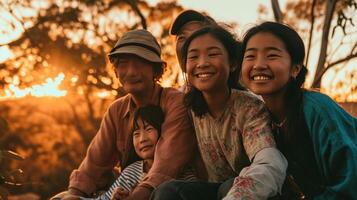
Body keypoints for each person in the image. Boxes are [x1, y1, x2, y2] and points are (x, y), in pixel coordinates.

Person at [51, 29, 197, 200]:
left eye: (140, 63)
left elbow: (167, 161)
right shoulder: (116, 110)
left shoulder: (176, 102)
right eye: (123, 64)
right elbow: (95, 162)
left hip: (166, 190)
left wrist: (138, 194)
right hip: (127, 187)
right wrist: (75, 193)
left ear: (155, 69)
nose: (131, 72)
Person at [151, 25, 287, 200]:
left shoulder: (249, 107)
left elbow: (269, 162)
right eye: (193, 57)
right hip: (213, 189)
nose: (202, 63)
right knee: (168, 191)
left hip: (253, 192)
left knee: (227, 187)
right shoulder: (188, 106)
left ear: (232, 63)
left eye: (213, 54)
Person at [240, 21, 357, 199]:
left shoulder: (317, 109)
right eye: (250, 56)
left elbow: (351, 179)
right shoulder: (258, 117)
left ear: (295, 68)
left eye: (271, 56)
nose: (259, 65)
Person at [80, 105, 195, 200]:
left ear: (164, 133)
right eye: (136, 134)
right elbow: (104, 198)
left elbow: (193, 190)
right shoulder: (133, 171)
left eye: (149, 129)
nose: (142, 139)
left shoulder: (179, 170)